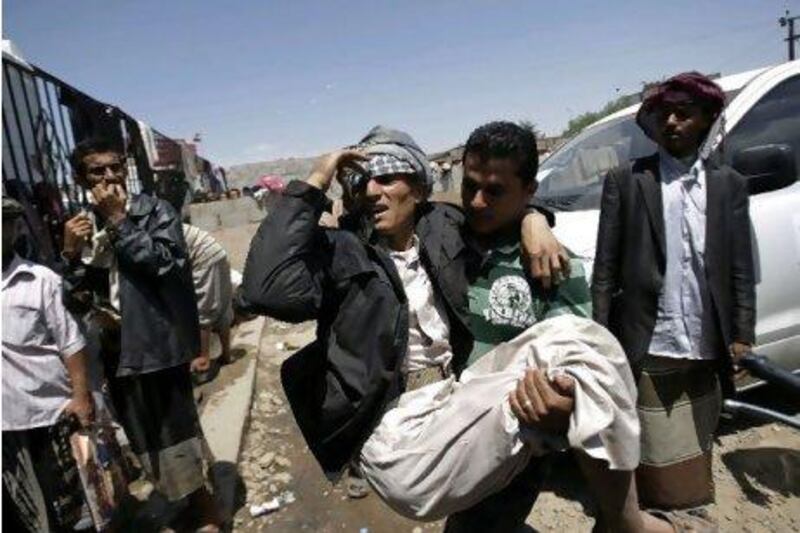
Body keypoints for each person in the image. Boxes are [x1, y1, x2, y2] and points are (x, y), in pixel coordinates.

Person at [240, 126, 673, 532]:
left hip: (457, 397)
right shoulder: (339, 251)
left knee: (577, 340)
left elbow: (497, 207)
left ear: (421, 188)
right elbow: (266, 289)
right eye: (361, 182)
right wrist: (316, 180)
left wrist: (534, 220)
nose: (373, 191)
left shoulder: (442, 228)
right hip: (397, 431)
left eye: (388, 178)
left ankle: (623, 519)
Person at [593, 72, 756, 523]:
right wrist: (604, 341)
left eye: (684, 113)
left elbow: (741, 267)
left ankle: (686, 510)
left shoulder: (728, 186)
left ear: (705, 119)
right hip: (651, 341)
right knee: (654, 444)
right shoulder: (628, 182)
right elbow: (605, 268)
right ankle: (663, 515)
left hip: (705, 343)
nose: (672, 122)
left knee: (699, 436)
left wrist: (743, 332)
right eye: (663, 114)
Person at [60, 138, 221, 531]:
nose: (109, 176)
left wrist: (119, 221)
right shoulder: (84, 223)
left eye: (115, 167)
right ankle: (183, 500)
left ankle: (207, 512)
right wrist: (69, 255)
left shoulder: (153, 212)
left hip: (156, 346)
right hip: (116, 352)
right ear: (81, 178)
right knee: (143, 434)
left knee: (175, 431)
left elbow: (166, 264)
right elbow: (77, 302)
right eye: (97, 171)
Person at [2, 198, 95, 532]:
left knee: (73, 506)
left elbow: (71, 342)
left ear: (11, 230)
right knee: (24, 511)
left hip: (49, 413)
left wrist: (81, 396)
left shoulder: (41, 280)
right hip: (5, 428)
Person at [182, 221, 234, 377]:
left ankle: (204, 361)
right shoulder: (160, 216)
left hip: (203, 257)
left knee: (203, 311)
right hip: (215, 252)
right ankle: (226, 354)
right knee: (222, 306)